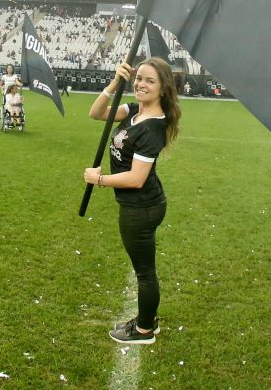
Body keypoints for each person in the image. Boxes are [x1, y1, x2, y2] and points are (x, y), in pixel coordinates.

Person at [84, 57, 181, 345]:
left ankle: (144, 330)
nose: (141, 84)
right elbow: (96, 113)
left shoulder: (152, 127)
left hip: (141, 207)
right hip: (142, 204)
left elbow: (136, 178)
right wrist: (116, 82)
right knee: (145, 270)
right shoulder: (136, 111)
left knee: (144, 273)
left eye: (150, 81)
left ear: (163, 89)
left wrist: (98, 180)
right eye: (139, 78)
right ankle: (147, 321)